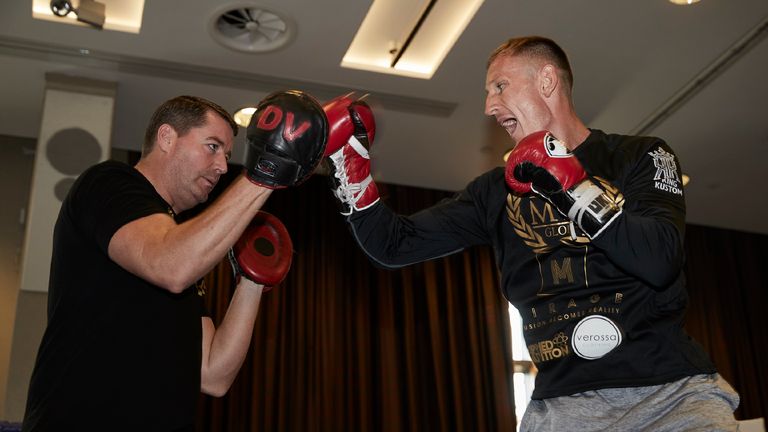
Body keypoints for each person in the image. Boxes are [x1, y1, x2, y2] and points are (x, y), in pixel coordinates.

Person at [320, 36, 741, 431]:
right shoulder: (493, 192)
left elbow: (660, 260)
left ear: (547, 80)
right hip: (561, 410)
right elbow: (394, 246)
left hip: (671, 399)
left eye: (500, 86)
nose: (488, 106)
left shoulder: (640, 156)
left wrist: (573, 186)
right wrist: (352, 176)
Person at [22, 91, 327, 431]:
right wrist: (267, 171)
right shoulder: (109, 183)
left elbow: (213, 374)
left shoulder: (181, 247)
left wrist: (252, 280)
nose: (223, 167)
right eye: (212, 146)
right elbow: (171, 265)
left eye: (227, 155)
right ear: (166, 137)